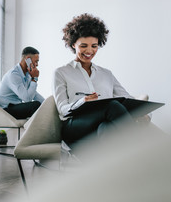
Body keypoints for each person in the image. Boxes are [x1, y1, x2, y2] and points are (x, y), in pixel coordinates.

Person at [53, 13, 139, 147]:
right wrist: (82, 102)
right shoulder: (61, 72)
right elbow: (62, 109)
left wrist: (143, 113)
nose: (89, 51)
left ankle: (113, 166)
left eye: (94, 46)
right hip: (74, 126)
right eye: (83, 46)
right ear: (73, 44)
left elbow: (126, 98)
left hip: (99, 126)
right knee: (112, 106)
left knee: (106, 128)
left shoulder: (106, 74)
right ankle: (143, 148)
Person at [0, 46, 44, 119]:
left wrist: (46, 103)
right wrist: (34, 79)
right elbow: (27, 98)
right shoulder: (13, 74)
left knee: (42, 105)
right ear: (28, 59)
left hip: (15, 106)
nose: (37, 64)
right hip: (6, 110)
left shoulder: (27, 74)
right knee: (35, 105)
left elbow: (33, 94)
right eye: (36, 61)